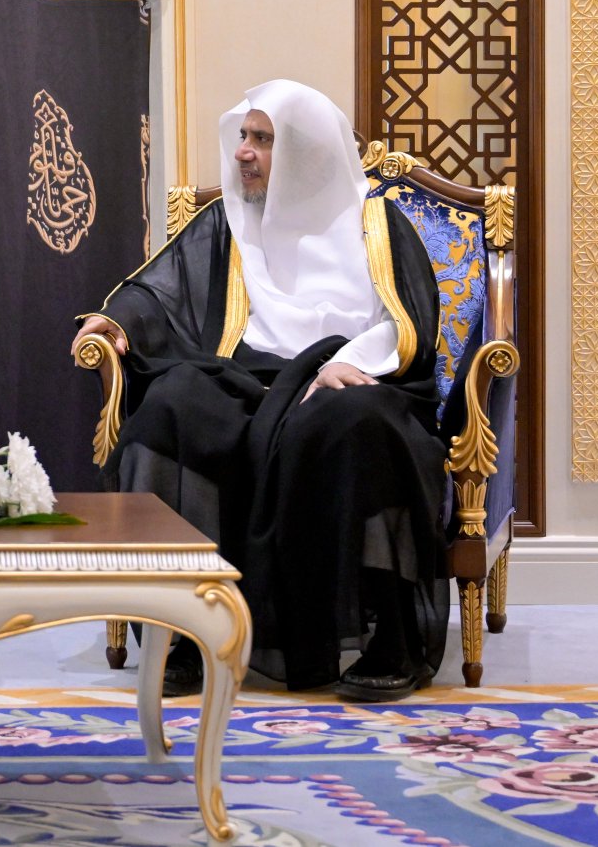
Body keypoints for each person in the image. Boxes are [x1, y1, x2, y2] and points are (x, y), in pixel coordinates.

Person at [73, 79, 447, 702]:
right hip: (249, 381)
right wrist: (116, 322)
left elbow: (408, 321)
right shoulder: (228, 222)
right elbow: (160, 288)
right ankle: (182, 635)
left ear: (305, 153)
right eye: (245, 136)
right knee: (172, 404)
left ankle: (389, 640)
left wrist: (343, 364)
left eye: (263, 140)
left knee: (353, 426)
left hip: (351, 381)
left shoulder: (377, 223)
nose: (244, 152)